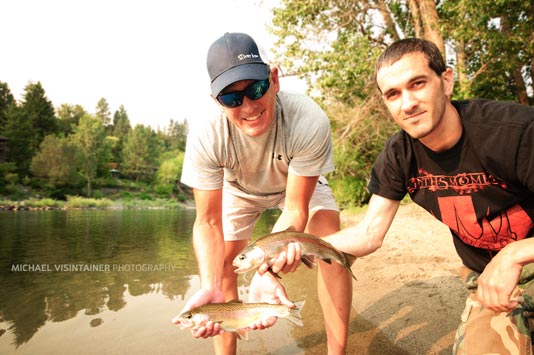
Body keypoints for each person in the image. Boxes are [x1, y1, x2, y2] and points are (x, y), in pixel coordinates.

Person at [294, 38, 533, 354]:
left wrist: (514, 254)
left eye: (417, 84)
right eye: (393, 94)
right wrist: (293, 247)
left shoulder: (515, 132)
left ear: (446, 81)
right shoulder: (399, 156)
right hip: (490, 282)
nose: (407, 103)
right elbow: (368, 235)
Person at [172, 32, 352, 355]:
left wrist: (265, 270)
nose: (249, 106)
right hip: (239, 190)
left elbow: (296, 209)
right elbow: (208, 222)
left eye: (256, 89)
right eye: (231, 99)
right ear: (216, 102)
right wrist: (210, 284)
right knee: (225, 264)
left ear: (274, 79)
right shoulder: (205, 134)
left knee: (329, 244)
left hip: (295, 184)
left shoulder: (308, 120)